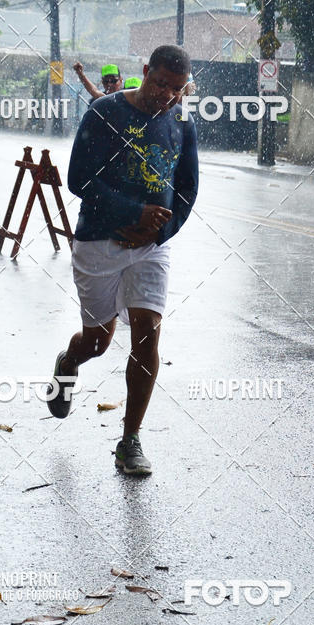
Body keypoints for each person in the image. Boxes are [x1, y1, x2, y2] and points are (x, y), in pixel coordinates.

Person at [48, 45, 198, 476]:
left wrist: (159, 230)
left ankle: (129, 440)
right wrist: (133, 215)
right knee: (98, 341)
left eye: (175, 89)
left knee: (148, 337)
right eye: (159, 83)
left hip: (153, 247)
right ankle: (70, 361)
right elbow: (79, 179)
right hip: (99, 241)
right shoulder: (104, 112)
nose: (165, 95)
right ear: (145, 72)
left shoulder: (182, 122)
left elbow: (187, 188)